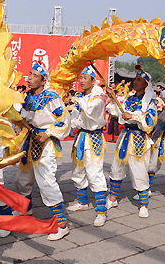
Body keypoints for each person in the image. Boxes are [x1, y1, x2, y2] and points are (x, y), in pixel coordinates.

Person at [16, 62, 71, 240]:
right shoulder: (27, 96)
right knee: (23, 180)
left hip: (45, 145)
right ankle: (26, 210)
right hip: (30, 142)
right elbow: (23, 118)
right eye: (29, 74)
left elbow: (64, 119)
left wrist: (48, 133)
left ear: (43, 79)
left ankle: (62, 224)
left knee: (47, 181)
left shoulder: (51, 97)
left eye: (34, 75)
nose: (29, 78)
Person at [105, 65, 157, 218]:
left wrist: (133, 116)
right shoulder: (129, 98)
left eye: (139, 80)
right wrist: (113, 99)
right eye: (135, 79)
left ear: (146, 84)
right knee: (117, 167)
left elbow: (150, 120)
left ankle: (143, 204)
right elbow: (118, 111)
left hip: (139, 139)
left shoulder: (151, 102)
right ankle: (112, 199)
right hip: (125, 138)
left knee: (139, 170)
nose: (135, 82)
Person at [68, 65, 108, 227]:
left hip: (94, 138)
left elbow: (90, 110)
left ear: (93, 80)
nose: (81, 80)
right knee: (78, 171)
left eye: (85, 77)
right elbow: (75, 118)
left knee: (94, 172)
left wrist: (76, 101)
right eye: (81, 77)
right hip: (81, 137)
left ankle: (101, 211)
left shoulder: (98, 95)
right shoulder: (81, 96)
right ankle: (82, 202)